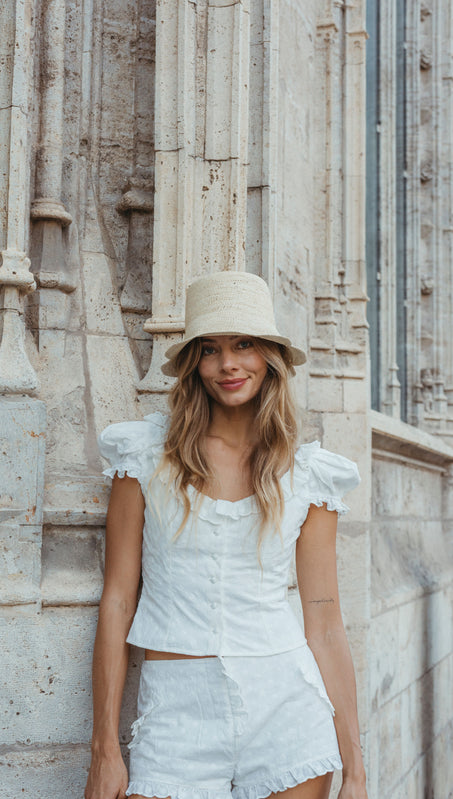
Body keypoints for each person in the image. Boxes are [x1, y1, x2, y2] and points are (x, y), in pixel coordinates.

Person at [85, 271, 368, 799]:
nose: (228, 364)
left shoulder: (307, 474)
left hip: (287, 708)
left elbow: (325, 619)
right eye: (210, 349)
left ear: (270, 358)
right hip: (176, 713)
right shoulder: (145, 458)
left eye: (244, 345)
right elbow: (119, 599)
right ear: (195, 363)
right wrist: (105, 749)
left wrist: (356, 769)